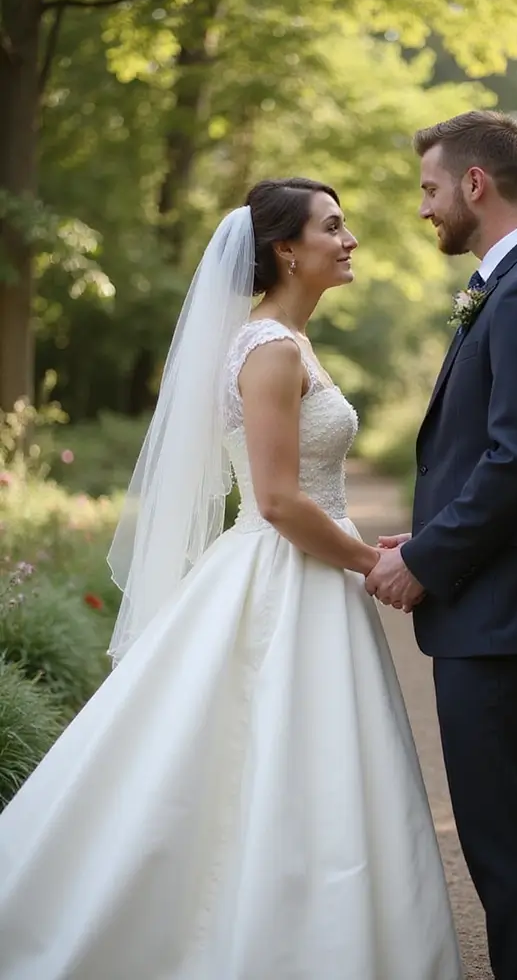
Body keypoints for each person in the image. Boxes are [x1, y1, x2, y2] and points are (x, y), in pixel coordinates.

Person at [0, 178, 463, 980]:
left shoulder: (290, 340)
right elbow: (278, 500)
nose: (349, 239)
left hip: (309, 566)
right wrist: (376, 563)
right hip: (285, 569)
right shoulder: (271, 349)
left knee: (307, 758)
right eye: (332, 226)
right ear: (286, 250)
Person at [366, 112, 517, 980]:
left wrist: (425, 562)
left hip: (512, 615)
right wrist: (431, 533)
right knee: (513, 832)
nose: (423, 208)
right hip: (512, 603)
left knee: (509, 841)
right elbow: (499, 456)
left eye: (430, 189)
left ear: (475, 183)